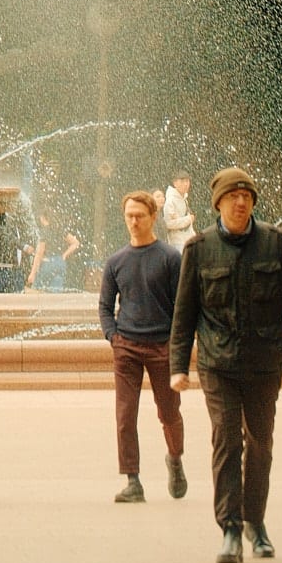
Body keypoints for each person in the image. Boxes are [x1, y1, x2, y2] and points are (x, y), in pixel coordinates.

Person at [170, 167, 282, 563]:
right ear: (218, 203)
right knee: (227, 440)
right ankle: (231, 528)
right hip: (218, 364)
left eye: (247, 197)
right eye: (233, 197)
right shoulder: (199, 249)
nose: (240, 203)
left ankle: (256, 521)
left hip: (264, 363)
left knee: (260, 443)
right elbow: (184, 314)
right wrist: (178, 366)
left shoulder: (276, 245)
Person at [99, 191, 187, 503]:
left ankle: (174, 458)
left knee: (169, 412)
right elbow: (105, 306)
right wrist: (113, 337)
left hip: (163, 347)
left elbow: (182, 305)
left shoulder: (170, 258)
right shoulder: (116, 262)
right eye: (129, 216)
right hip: (127, 347)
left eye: (140, 216)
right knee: (125, 415)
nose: (134, 221)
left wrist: (178, 344)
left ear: (153, 217)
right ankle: (132, 480)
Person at [26, 211, 81, 292]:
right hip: (60, 263)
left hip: (48, 263)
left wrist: (32, 273)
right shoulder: (60, 229)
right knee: (56, 291)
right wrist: (64, 255)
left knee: (37, 289)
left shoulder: (45, 231)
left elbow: (40, 253)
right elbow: (76, 243)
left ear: (43, 218)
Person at [164, 172, 196, 251]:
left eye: (187, 181)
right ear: (175, 183)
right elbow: (168, 223)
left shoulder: (184, 199)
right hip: (177, 242)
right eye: (182, 181)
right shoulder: (170, 201)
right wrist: (188, 219)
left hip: (188, 240)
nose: (185, 184)